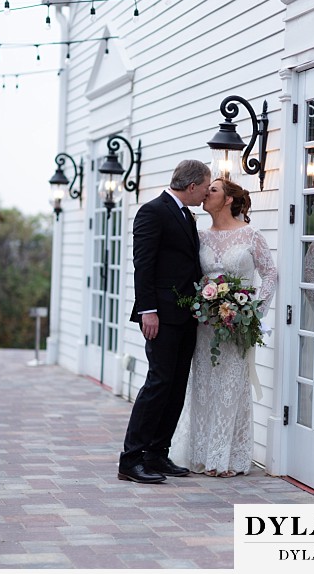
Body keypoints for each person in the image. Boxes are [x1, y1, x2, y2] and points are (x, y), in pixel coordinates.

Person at [171, 178, 277, 477]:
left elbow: (269, 274)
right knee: (203, 387)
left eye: (213, 190)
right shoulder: (199, 235)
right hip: (204, 325)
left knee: (231, 387)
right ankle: (201, 454)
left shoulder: (251, 235)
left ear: (228, 199)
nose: (206, 194)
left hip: (236, 325)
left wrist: (253, 310)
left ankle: (226, 457)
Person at [118, 159, 211, 484]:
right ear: (191, 186)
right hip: (160, 315)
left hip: (186, 315)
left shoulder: (186, 214)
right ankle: (131, 459)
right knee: (158, 383)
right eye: (204, 187)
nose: (205, 193)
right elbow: (143, 265)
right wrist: (148, 311)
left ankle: (157, 453)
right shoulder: (152, 211)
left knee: (176, 386)